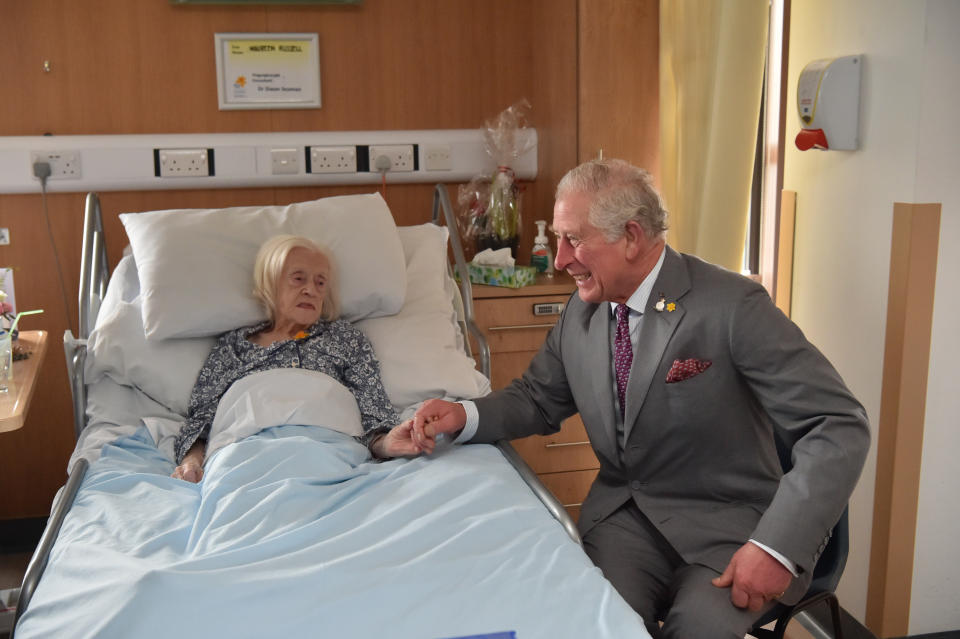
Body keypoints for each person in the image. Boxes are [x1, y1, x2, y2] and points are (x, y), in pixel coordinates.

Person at [408, 159, 870, 638]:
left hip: (729, 525)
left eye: (574, 240)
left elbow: (838, 423)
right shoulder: (583, 312)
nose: (560, 258)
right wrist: (465, 415)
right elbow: (539, 399)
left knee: (698, 630)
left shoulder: (732, 307)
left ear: (630, 237)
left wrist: (776, 547)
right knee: (590, 624)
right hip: (625, 521)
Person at [172, 234, 418, 482]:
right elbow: (202, 419)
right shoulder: (232, 347)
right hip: (244, 453)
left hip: (329, 450)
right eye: (298, 279)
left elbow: (372, 407)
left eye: (320, 283)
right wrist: (191, 462)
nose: (310, 290)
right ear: (269, 284)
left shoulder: (345, 339)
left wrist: (387, 443)